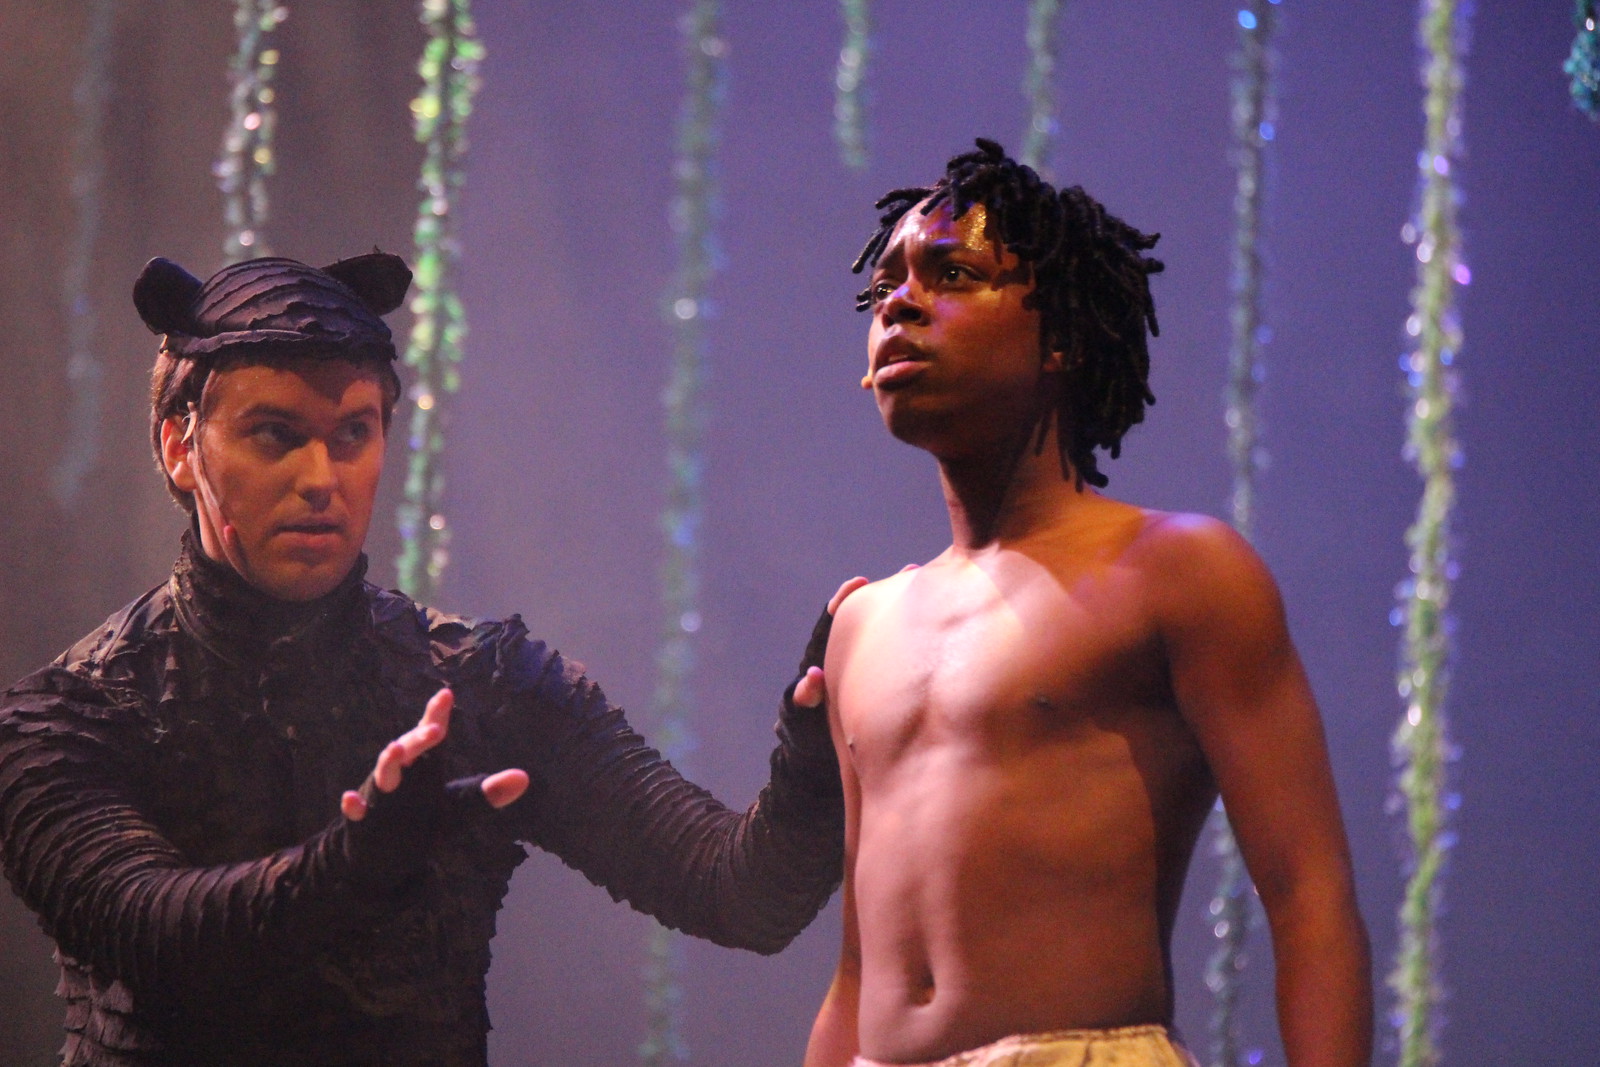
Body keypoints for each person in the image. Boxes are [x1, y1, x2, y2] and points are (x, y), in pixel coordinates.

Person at [0, 252, 847, 1066]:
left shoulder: (482, 681)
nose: (321, 476)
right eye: (274, 434)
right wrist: (356, 862)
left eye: (353, 433)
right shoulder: (69, 714)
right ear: (180, 447)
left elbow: (742, 895)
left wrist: (816, 760)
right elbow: (155, 937)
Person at [804, 140, 1371, 1067]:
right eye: (884, 287)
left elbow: (1309, 895)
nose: (898, 303)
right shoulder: (863, 624)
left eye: (953, 273)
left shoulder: (1179, 572)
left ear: (1060, 335)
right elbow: (859, 971)